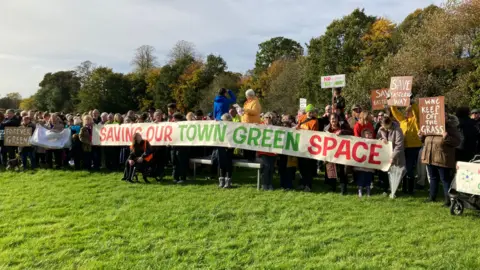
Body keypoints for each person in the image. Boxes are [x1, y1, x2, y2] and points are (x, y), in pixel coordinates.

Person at [419, 114, 461, 206]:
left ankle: (448, 201)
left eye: (444, 116)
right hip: (430, 157)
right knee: (433, 178)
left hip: (443, 159)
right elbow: (426, 141)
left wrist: (447, 137)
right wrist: (421, 136)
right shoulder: (430, 127)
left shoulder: (451, 128)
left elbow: (457, 142)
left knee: (445, 180)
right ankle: (432, 197)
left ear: (447, 118)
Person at [390, 99, 421, 194]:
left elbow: (417, 112)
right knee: (405, 167)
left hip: (414, 147)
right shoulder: (403, 121)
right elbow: (395, 112)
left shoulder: (416, 120)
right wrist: (391, 102)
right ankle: (404, 188)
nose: (407, 113)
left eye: (409, 111)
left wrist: (412, 103)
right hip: (405, 148)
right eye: (406, 111)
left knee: (410, 168)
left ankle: (410, 189)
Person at [376, 116, 406, 195]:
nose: (384, 127)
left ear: (389, 123)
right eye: (382, 125)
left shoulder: (398, 130)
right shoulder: (381, 129)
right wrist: (381, 140)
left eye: (385, 125)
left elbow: (399, 146)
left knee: (394, 172)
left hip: (396, 156)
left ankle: (394, 191)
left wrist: (392, 157)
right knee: (384, 172)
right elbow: (377, 139)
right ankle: (385, 189)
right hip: (385, 154)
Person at [324, 113, 353, 194]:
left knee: (342, 171)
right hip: (331, 152)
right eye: (332, 118)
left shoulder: (343, 126)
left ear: (338, 119)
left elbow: (351, 132)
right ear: (329, 120)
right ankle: (332, 187)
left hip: (342, 152)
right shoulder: (326, 129)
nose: (334, 120)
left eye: (335, 118)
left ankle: (343, 188)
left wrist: (342, 132)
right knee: (331, 170)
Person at [296, 104, 319, 192]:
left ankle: (308, 185)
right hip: (300, 145)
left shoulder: (315, 121)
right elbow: (298, 127)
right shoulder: (302, 118)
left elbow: (314, 134)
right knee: (301, 166)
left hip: (309, 147)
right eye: (309, 112)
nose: (310, 113)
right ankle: (302, 183)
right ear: (306, 112)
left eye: (312, 112)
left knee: (307, 167)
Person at [258, 112, 277, 191]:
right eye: (266, 117)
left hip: (272, 152)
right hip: (263, 151)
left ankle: (270, 184)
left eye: (270, 117)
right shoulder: (260, 126)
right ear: (263, 118)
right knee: (266, 167)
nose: (268, 119)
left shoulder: (275, 128)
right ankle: (264, 184)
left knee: (271, 168)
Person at [241, 89, 262, 161]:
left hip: (252, 125)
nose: (246, 97)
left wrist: (245, 110)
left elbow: (255, 112)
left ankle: (251, 158)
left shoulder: (255, 102)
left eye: (246, 96)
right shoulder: (247, 102)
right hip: (246, 125)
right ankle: (246, 157)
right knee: (246, 142)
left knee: (251, 142)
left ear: (250, 96)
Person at [278, 115, 297, 190]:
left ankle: (288, 185)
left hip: (289, 155)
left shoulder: (293, 133)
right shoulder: (279, 133)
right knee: (282, 170)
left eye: (286, 125)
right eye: (283, 125)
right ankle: (282, 184)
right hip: (282, 154)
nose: (285, 127)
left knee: (288, 171)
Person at [216, 113, 235, 188]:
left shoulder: (233, 127)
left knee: (228, 164)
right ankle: (221, 180)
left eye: (223, 120)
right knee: (221, 164)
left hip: (229, 148)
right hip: (221, 147)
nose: (222, 121)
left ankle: (228, 181)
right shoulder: (221, 127)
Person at [355, 129, 376, 197]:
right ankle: (360, 190)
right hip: (361, 166)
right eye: (367, 134)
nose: (369, 135)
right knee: (361, 177)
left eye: (370, 134)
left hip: (369, 166)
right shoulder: (360, 142)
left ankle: (368, 189)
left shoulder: (374, 143)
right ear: (363, 135)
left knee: (368, 178)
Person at [171, 112, 189, 183]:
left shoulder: (185, 125)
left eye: (174, 118)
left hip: (182, 147)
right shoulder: (173, 125)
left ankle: (182, 178)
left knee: (181, 162)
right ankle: (176, 177)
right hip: (174, 147)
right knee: (175, 162)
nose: (173, 120)